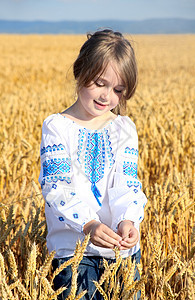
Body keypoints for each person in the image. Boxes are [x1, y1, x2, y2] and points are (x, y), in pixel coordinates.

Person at [39, 29, 147, 299]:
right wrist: (88, 224)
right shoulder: (57, 127)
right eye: (100, 83)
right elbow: (56, 186)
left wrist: (128, 221)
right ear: (79, 72)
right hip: (74, 254)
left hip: (122, 254)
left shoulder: (124, 128)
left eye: (118, 90)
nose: (107, 96)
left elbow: (127, 183)